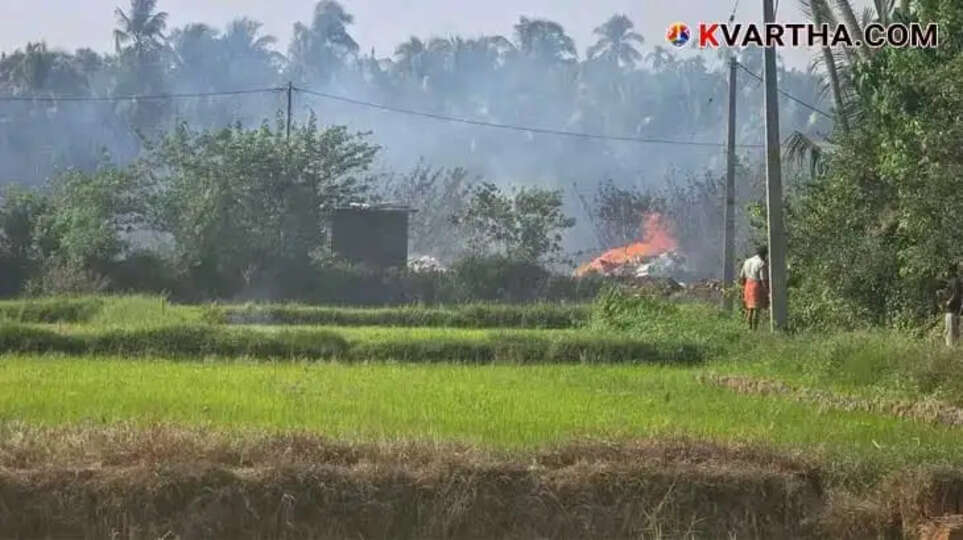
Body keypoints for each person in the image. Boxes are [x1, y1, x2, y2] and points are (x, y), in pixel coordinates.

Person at [739, 246, 769, 330]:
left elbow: (742, 276)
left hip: (748, 285)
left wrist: (743, 288)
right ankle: (754, 328)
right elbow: (763, 279)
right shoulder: (761, 263)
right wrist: (767, 291)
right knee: (756, 308)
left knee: (750, 308)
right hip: (757, 286)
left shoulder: (747, 261)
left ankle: (749, 328)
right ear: (764, 254)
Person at [944, 263, 962, 347]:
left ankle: (951, 349)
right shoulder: (957, 281)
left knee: (950, 331)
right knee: (955, 331)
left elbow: (956, 294)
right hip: (956, 311)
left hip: (951, 311)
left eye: (947, 270)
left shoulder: (954, 281)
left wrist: (949, 302)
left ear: (950, 271)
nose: (946, 273)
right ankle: (954, 347)